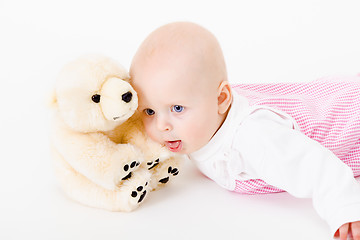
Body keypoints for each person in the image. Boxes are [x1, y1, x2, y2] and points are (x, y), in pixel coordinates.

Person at [129, 21, 360, 239]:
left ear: (221, 98)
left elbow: (314, 165)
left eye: (177, 108)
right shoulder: (200, 110)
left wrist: (345, 207)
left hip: (350, 122)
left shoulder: (252, 138)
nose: (161, 126)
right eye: (149, 111)